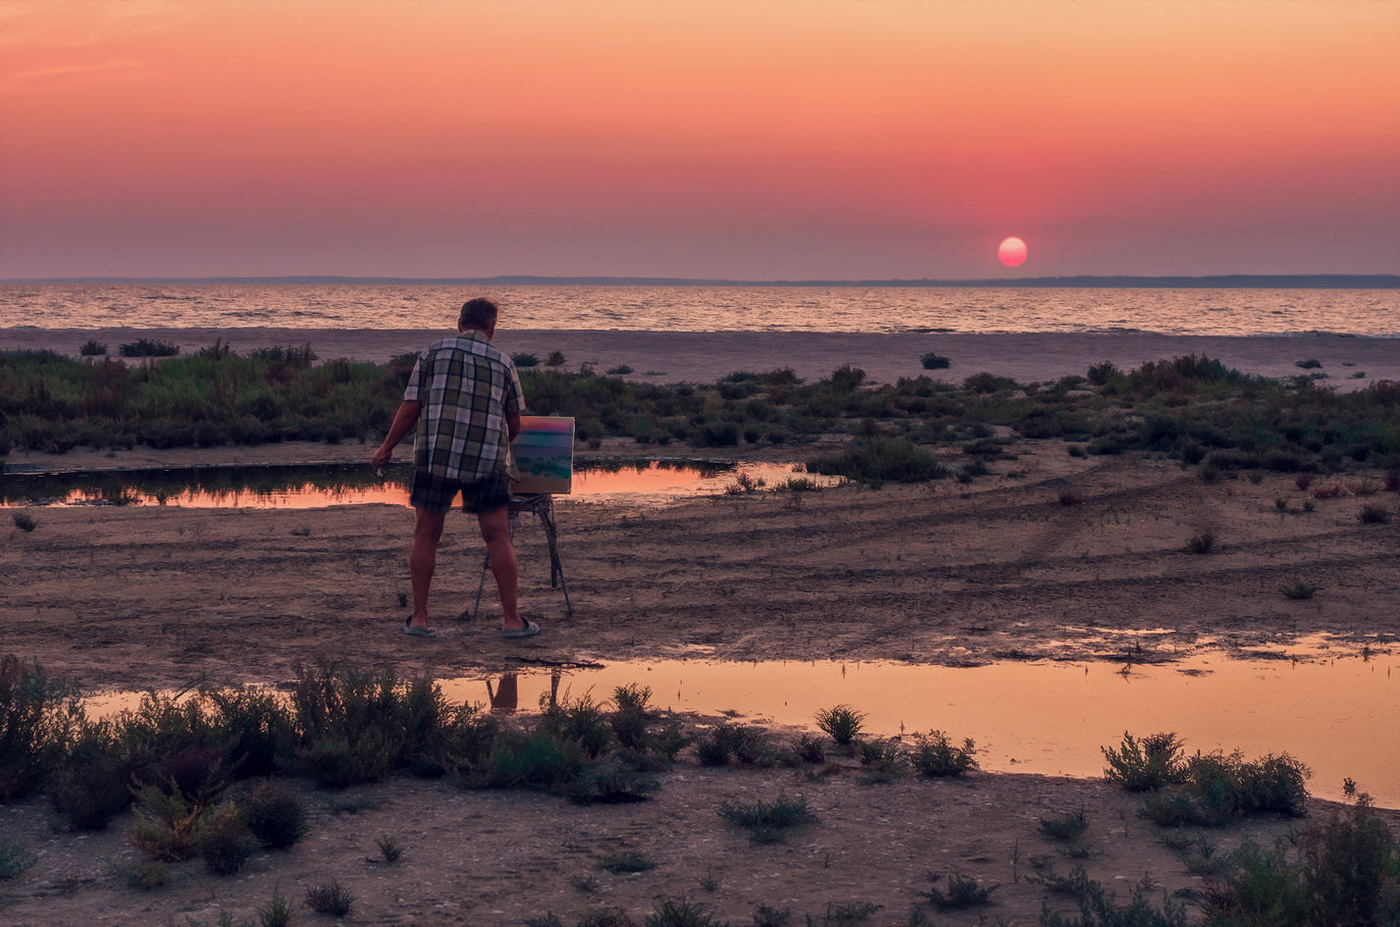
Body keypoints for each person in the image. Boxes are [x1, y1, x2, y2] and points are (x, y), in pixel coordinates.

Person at [370, 297, 539, 639]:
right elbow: (515, 425)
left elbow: (410, 408)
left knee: (426, 535)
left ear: (459, 323)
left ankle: (419, 619)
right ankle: (511, 621)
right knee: (497, 536)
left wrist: (387, 447)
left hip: (435, 456)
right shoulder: (504, 363)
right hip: (487, 460)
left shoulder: (432, 352)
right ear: (492, 328)